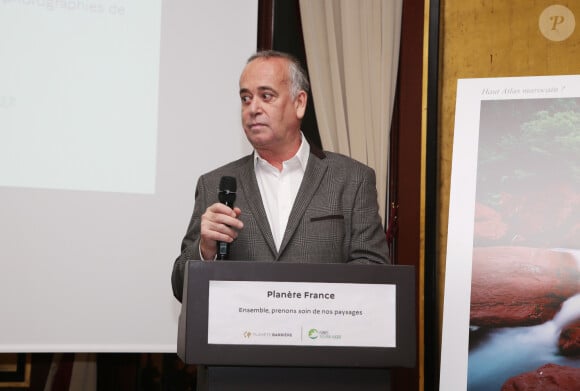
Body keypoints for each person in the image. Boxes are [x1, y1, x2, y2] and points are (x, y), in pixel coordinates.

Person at [171, 50, 389, 302]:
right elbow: (180, 288)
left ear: (299, 103)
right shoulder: (214, 184)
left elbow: (375, 273)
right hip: (241, 339)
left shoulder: (352, 179)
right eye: (245, 98)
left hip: (320, 336)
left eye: (266, 96)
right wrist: (205, 250)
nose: (253, 108)